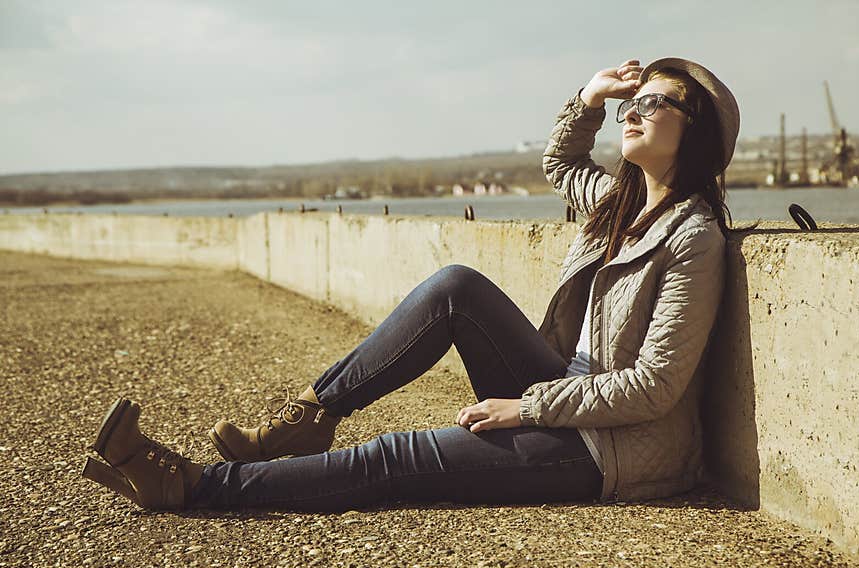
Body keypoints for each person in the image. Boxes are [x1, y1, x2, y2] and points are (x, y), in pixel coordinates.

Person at [82, 56, 748, 511]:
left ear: (697, 132)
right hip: (568, 387)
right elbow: (560, 159)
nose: (634, 109)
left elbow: (655, 388)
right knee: (455, 285)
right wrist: (589, 97)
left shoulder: (694, 239)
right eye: (634, 98)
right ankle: (312, 417)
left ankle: (192, 484)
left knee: (399, 457)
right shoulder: (618, 202)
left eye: (656, 102)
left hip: (610, 448)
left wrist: (526, 408)